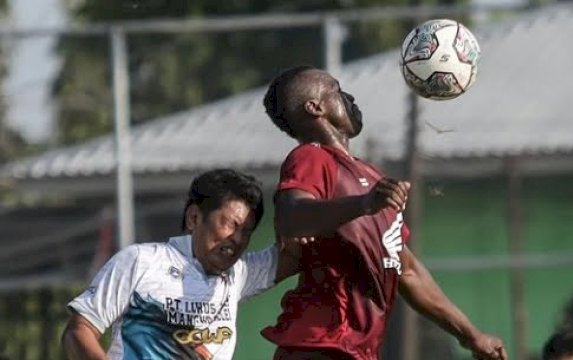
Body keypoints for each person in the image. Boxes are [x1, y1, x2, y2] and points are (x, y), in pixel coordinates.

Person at [260, 65, 508, 360]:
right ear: (315, 108)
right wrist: (363, 204)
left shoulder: (372, 177)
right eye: (336, 90)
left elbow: (409, 271)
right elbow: (292, 217)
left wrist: (471, 335)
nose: (348, 98)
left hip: (355, 349)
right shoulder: (311, 157)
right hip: (319, 344)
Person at [62, 168, 303, 360]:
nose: (237, 239)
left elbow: (295, 256)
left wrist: (294, 217)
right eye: (230, 224)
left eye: (246, 231)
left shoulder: (239, 273)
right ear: (194, 217)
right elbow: (78, 330)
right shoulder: (140, 261)